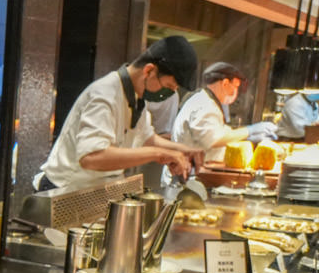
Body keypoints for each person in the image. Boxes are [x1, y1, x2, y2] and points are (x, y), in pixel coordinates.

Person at [33, 36, 202, 192]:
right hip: (63, 192)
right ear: (149, 71)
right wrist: (159, 155)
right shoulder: (105, 94)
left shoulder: (136, 97)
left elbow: (146, 138)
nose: (169, 94)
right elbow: (92, 157)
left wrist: (184, 150)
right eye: (168, 86)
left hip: (94, 192)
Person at [171, 62, 278, 164]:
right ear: (225, 83)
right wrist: (249, 131)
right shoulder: (205, 104)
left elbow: (220, 132)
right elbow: (213, 139)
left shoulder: (207, 101)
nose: (237, 91)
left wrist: (246, 137)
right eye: (236, 86)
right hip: (189, 174)